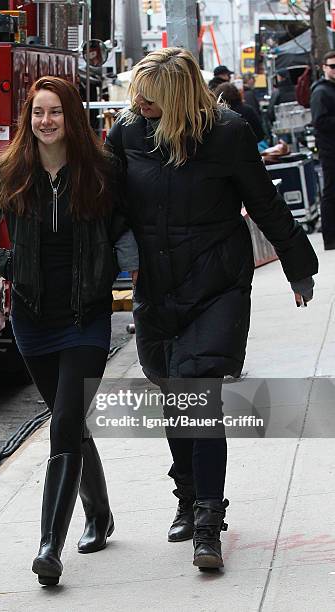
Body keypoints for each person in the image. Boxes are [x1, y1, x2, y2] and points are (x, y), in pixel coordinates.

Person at [105, 47, 318, 570]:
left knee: (198, 394)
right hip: (157, 285)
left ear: (177, 99)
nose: (140, 108)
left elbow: (264, 200)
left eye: (150, 101)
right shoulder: (128, 134)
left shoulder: (227, 132)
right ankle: (186, 497)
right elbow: (104, 205)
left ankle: (207, 521)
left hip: (216, 283)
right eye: (137, 99)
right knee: (172, 392)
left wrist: (299, 265)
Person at [0, 76, 138, 585]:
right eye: (38, 112)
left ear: (72, 117)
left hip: (86, 320)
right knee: (71, 424)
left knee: (63, 426)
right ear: (28, 119)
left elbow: (127, 230)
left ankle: (49, 548)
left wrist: (126, 276)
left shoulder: (102, 172)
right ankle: (100, 514)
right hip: (33, 320)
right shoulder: (10, 172)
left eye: (55, 112)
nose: (46, 121)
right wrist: (9, 264)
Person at [311, 49, 335, 250]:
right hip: (330, 150)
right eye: (332, 66)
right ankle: (330, 237)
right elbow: (320, 122)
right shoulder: (321, 91)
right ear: (324, 68)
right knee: (331, 191)